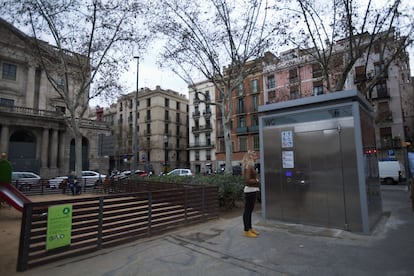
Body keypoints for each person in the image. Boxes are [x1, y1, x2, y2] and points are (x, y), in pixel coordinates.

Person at [242, 150, 260, 238]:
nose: (256, 156)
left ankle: (250, 228)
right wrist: (256, 180)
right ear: (250, 157)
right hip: (250, 190)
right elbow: (247, 180)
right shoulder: (248, 167)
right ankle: (246, 230)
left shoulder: (251, 166)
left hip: (252, 190)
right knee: (247, 211)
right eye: (254, 155)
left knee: (249, 211)